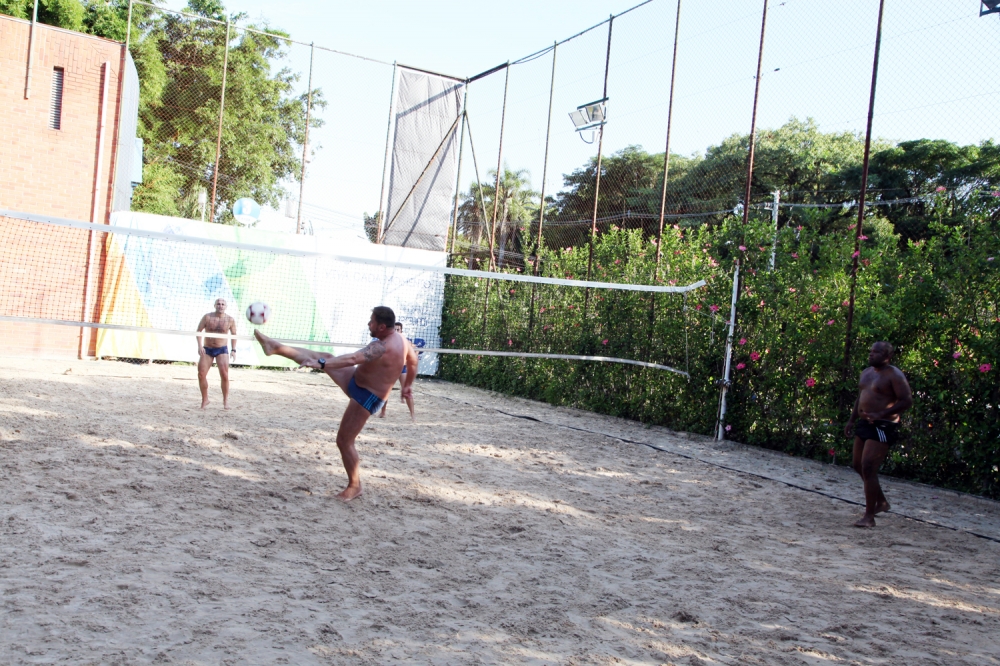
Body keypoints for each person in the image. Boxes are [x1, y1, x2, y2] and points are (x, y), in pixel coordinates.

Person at [254, 306, 417, 501]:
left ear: (381, 327)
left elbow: (353, 358)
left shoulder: (381, 347)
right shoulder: (403, 341)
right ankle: (275, 347)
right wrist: (408, 385)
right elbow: (413, 361)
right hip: (356, 380)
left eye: (372, 321)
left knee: (344, 441)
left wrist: (322, 365)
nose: (368, 324)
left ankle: (355, 486)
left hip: (366, 397)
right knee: (324, 357)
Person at [844, 341, 913, 528]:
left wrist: (882, 413)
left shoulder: (894, 375)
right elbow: (861, 397)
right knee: (858, 465)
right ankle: (881, 502)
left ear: (887, 356)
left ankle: (869, 516)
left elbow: (907, 400)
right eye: (871, 351)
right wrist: (851, 419)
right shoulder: (866, 373)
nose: (871, 354)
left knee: (868, 466)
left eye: (876, 352)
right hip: (864, 422)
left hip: (883, 425)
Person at [196, 298, 237, 410]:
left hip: (221, 349)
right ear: (215, 305)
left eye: (223, 304)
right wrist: (199, 346)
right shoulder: (207, 317)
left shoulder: (230, 319)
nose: (220, 305)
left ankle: (225, 401)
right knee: (201, 374)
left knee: (224, 375)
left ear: (226, 306)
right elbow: (198, 331)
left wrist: (233, 350)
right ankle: (205, 399)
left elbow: (234, 335)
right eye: (218, 304)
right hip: (207, 349)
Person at [378, 321, 418, 422]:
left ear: (401, 330)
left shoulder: (405, 341)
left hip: (402, 368)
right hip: (391, 368)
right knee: (386, 390)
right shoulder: (388, 340)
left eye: (398, 329)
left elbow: (415, 349)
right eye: (394, 329)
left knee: (407, 390)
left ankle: (412, 415)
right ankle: (383, 412)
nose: (396, 331)